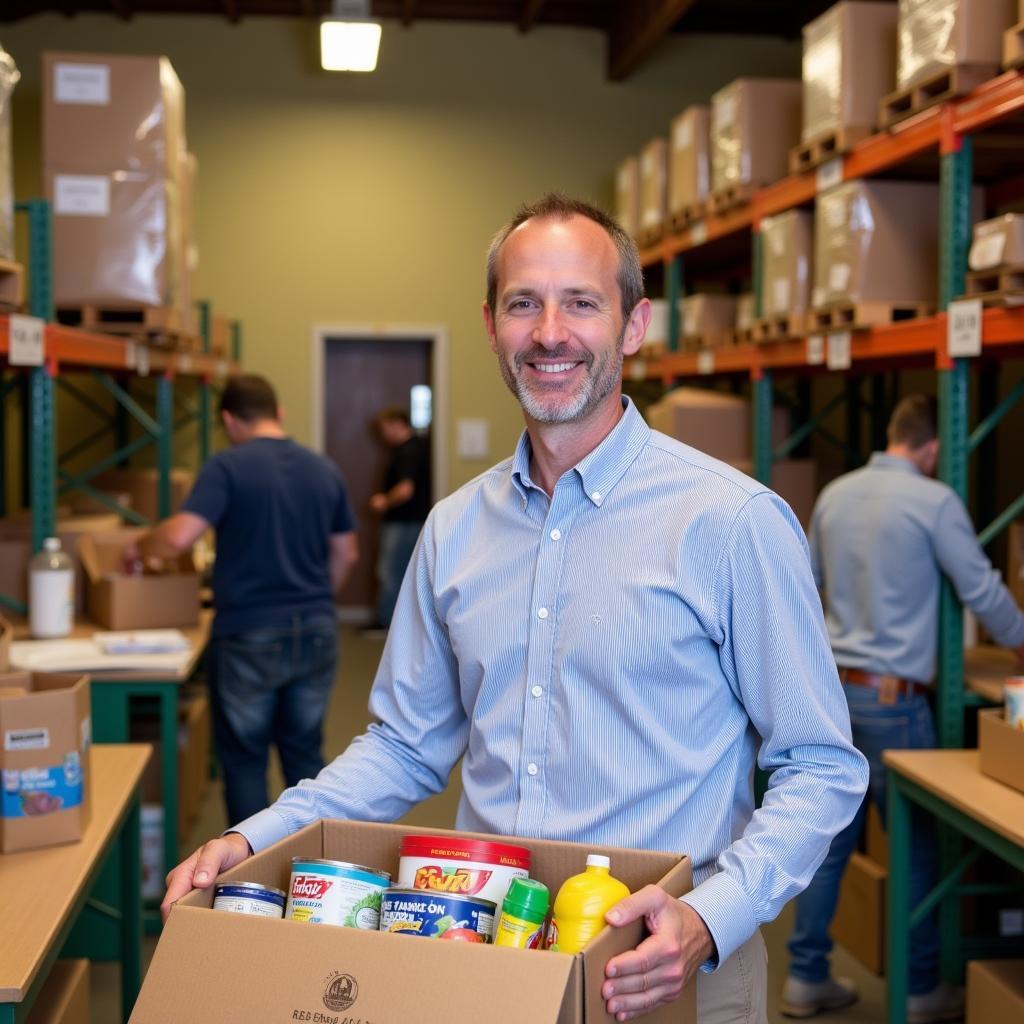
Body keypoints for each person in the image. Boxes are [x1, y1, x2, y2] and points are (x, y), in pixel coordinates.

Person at [164, 195, 867, 1024]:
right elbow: (403, 745)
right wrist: (256, 837)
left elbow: (821, 765)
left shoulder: (730, 522)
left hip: (666, 974)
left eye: (582, 303)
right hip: (493, 964)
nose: (550, 333)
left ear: (634, 325)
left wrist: (710, 919)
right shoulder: (456, 527)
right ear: (492, 325)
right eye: (524, 303)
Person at [781, 394, 1024, 1023]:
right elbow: (981, 589)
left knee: (828, 845)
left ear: (891, 434)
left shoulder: (835, 494)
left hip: (833, 694)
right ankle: (921, 990)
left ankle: (804, 976)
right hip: (896, 702)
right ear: (933, 448)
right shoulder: (934, 501)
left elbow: (805, 586)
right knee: (916, 847)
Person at [127, 374, 359, 824]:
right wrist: (314, 600)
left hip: (247, 632)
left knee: (245, 760)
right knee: (305, 757)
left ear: (229, 420)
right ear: (279, 414)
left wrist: (139, 547)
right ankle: (310, 876)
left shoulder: (227, 466)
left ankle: (250, 882)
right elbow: (346, 553)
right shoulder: (323, 467)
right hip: (314, 628)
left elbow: (179, 537)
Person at [366, 404, 431, 631]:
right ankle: (394, 623)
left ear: (397, 424)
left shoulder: (407, 451)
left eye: (385, 428)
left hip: (403, 522)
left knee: (390, 571)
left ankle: (386, 623)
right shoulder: (414, 448)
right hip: (409, 521)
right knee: (399, 571)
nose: (383, 435)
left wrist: (384, 501)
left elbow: (405, 489)